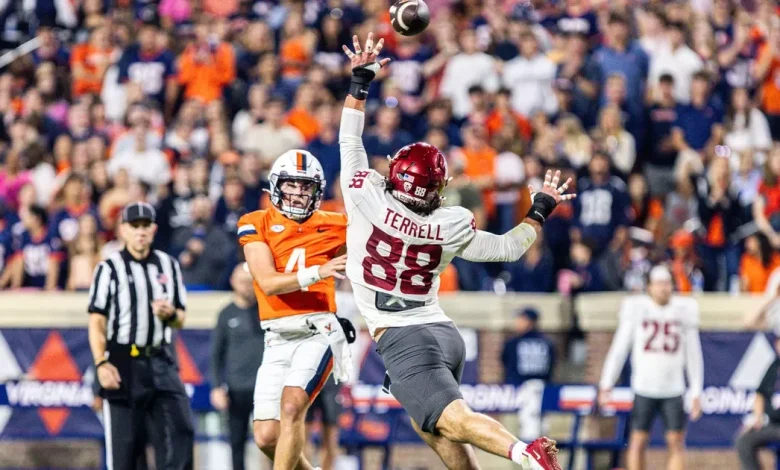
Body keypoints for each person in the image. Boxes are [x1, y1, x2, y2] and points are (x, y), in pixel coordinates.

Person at [338, 33, 573, 470]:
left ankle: (526, 453)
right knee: (434, 427)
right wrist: (539, 209)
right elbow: (507, 249)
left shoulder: (365, 196)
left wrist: (361, 82)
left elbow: (350, 144)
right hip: (443, 334)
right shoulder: (451, 223)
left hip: (401, 335)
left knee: (453, 418)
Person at [238, 149, 353, 470]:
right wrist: (319, 271)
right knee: (266, 436)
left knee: (292, 408)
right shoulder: (255, 222)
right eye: (292, 185)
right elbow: (268, 282)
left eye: (306, 186)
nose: (298, 193)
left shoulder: (338, 224)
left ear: (317, 190)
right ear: (276, 186)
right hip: (276, 337)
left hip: (319, 330)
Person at [87, 202, 193, 470]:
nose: (140, 232)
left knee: (180, 432)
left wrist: (169, 314)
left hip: (160, 357)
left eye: (146, 226)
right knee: (126, 449)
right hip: (123, 360)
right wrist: (101, 363)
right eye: (134, 226)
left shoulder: (168, 265)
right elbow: (97, 321)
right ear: (123, 230)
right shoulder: (109, 268)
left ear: (154, 229)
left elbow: (180, 319)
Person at [598, 265, 704, 470]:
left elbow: (694, 355)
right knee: (637, 440)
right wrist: (606, 382)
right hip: (644, 386)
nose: (664, 288)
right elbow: (619, 349)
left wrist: (696, 390)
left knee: (676, 441)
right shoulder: (637, 309)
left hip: (674, 388)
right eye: (659, 284)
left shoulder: (683, 310)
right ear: (649, 287)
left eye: (667, 283)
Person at [210, 265, 265, 470]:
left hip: (265, 390)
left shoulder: (266, 311)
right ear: (232, 282)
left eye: (249, 281)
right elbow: (216, 354)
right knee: (236, 442)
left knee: (270, 440)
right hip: (236, 389)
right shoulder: (226, 314)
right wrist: (216, 387)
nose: (246, 286)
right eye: (242, 281)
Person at [502, 308, 556, 442]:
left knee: (529, 427)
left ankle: (531, 459)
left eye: (522, 319)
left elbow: (506, 361)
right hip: (543, 387)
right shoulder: (547, 342)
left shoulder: (515, 342)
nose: (518, 323)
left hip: (526, 388)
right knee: (540, 426)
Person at [735, 339, 780, 470]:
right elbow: (760, 394)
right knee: (744, 440)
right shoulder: (774, 366)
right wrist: (757, 419)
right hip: (773, 425)